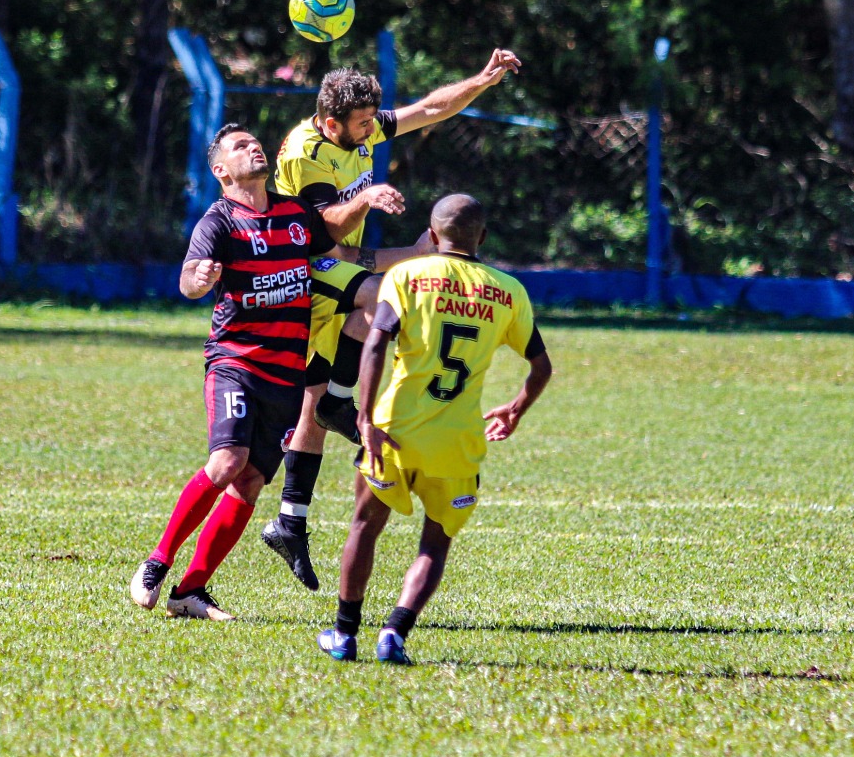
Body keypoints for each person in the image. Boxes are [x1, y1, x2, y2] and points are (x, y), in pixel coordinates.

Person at [261, 49, 523, 593]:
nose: (369, 133)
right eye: (360, 126)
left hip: (338, 264)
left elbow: (429, 109)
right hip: (306, 268)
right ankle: (345, 402)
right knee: (389, 303)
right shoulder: (307, 152)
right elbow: (327, 230)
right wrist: (374, 206)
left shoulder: (356, 130)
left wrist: (482, 76)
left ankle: (291, 519)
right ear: (331, 123)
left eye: (370, 124)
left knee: (317, 398)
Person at [128, 123, 374, 621]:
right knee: (226, 462)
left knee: (251, 481)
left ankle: (190, 592)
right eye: (241, 146)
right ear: (221, 170)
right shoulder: (218, 222)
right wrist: (197, 280)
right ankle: (157, 561)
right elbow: (189, 281)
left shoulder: (295, 213)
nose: (254, 146)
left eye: (255, 142)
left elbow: (343, 249)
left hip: (287, 374)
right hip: (236, 362)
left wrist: (387, 219)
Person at [316, 193, 552, 663]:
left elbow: (377, 342)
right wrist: (516, 409)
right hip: (457, 440)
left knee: (365, 524)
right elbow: (541, 366)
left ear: (431, 230)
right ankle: (395, 633)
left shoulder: (406, 275)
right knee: (435, 540)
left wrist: (363, 416)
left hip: (394, 429)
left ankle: (344, 634)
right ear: (481, 237)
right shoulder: (508, 290)